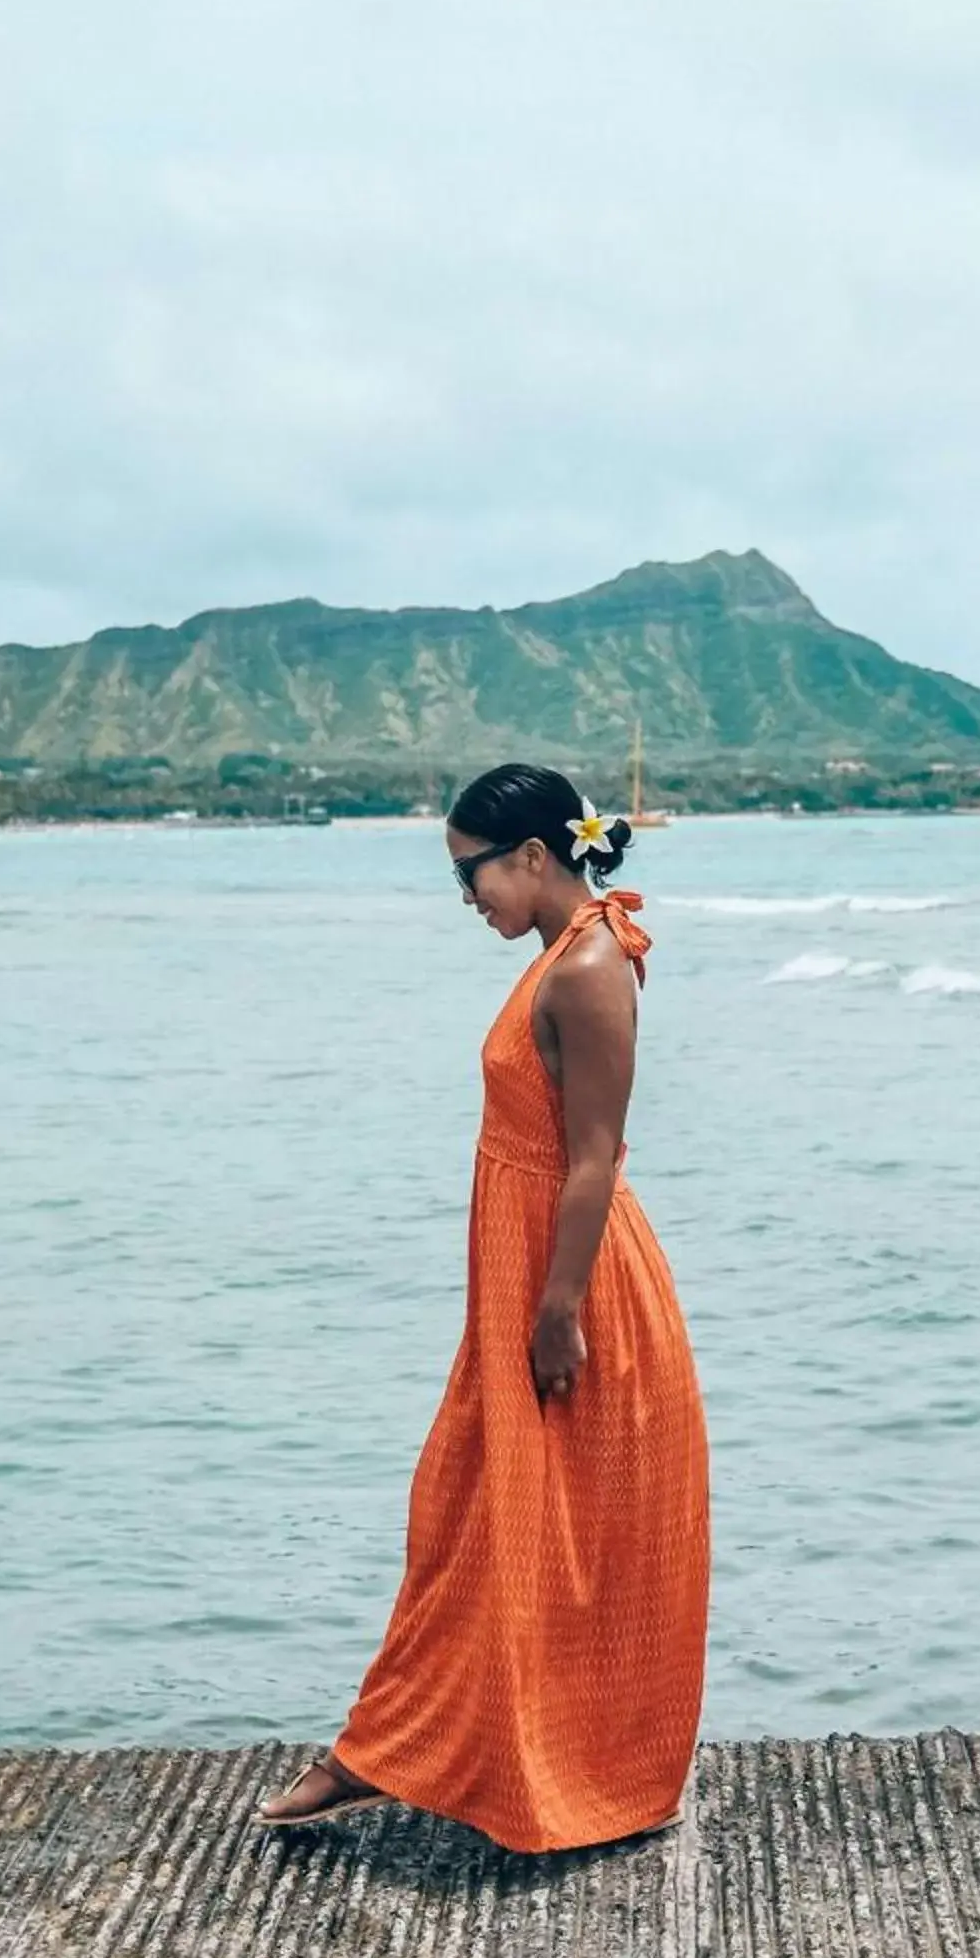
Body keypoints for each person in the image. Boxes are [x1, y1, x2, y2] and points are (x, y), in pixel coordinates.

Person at [258, 762, 711, 1851]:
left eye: (471, 875)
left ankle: (530, 1770)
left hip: (573, 1280)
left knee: (565, 1538)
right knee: (472, 1518)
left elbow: (595, 1156)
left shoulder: (593, 964)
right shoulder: (564, 954)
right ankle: (387, 1752)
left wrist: (558, 1312)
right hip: (529, 1273)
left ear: (534, 857)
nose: (467, 899)